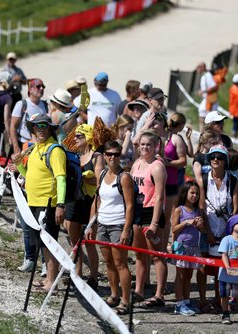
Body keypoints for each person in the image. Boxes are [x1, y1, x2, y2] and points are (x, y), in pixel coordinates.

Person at [13, 114, 66, 292]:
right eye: (37, 126)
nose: (41, 129)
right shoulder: (35, 149)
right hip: (34, 203)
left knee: (49, 243)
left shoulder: (55, 150)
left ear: (50, 128)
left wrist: (60, 204)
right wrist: (19, 165)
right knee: (43, 243)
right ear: (33, 129)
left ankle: (52, 282)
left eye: (44, 125)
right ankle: (48, 280)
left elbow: (61, 179)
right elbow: (29, 177)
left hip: (48, 204)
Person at [86, 140, 133, 315]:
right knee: (108, 262)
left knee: (121, 263)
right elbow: (97, 200)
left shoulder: (125, 177)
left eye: (116, 154)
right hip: (103, 223)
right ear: (104, 156)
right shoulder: (103, 173)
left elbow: (129, 206)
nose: (113, 157)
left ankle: (126, 300)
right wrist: (92, 224)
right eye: (109, 154)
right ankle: (114, 294)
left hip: (118, 224)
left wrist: (126, 230)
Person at [198, 145, 238, 312]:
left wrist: (227, 231)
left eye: (220, 157)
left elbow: (236, 208)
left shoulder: (233, 180)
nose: (216, 159)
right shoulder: (203, 179)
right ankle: (202, 300)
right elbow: (201, 208)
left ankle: (218, 298)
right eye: (213, 156)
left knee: (220, 267)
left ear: (225, 161)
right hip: (205, 228)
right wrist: (207, 232)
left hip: (225, 229)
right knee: (201, 266)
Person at [63, 124, 104, 290]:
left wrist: (85, 178)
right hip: (74, 200)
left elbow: (100, 182)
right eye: (75, 135)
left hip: (90, 201)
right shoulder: (74, 155)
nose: (75, 138)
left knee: (89, 241)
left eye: (79, 136)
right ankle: (77, 274)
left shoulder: (97, 156)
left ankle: (94, 277)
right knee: (74, 241)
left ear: (88, 138)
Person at [130, 130, 167, 307]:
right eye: (142, 144)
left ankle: (160, 294)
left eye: (149, 145)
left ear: (156, 146)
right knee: (139, 254)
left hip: (152, 211)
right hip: (137, 210)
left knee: (156, 254)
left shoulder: (157, 166)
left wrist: (154, 222)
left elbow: (160, 196)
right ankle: (139, 290)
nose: (145, 147)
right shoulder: (137, 163)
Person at [171, 181, 204, 316]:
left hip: (193, 247)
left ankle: (186, 300)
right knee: (180, 275)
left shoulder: (198, 211)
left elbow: (202, 229)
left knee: (189, 275)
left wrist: (200, 225)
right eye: (192, 193)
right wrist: (186, 222)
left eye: (196, 193)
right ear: (185, 193)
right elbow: (174, 229)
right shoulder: (179, 209)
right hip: (182, 247)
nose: (194, 196)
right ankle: (179, 304)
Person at [163, 112, 188, 252]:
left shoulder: (176, 138)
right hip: (156, 182)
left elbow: (183, 161)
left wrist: (168, 163)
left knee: (169, 215)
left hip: (171, 180)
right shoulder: (160, 136)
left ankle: (168, 245)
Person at [9, 78, 48, 155]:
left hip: (40, 146)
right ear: (30, 89)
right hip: (24, 145)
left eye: (43, 86)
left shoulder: (45, 105)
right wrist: (16, 148)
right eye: (38, 86)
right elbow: (13, 127)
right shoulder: (21, 104)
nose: (41, 88)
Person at [196, 62, 218, 131]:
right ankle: (202, 135)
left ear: (202, 67)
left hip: (210, 101)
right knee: (202, 117)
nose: (197, 69)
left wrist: (203, 91)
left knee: (210, 121)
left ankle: (208, 136)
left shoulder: (208, 75)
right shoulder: (204, 76)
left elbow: (215, 86)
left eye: (198, 67)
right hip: (206, 100)